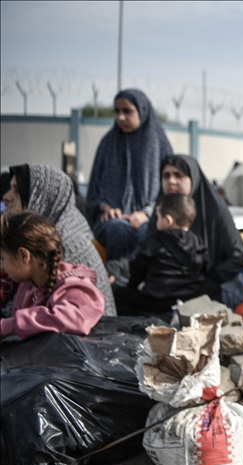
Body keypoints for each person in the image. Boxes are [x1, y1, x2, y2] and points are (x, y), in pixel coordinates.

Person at [3, 164, 117, 316]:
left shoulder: (59, 245)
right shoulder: (46, 237)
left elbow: (54, 318)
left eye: (17, 191)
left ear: (42, 199)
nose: (6, 197)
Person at [145, 155, 243, 300]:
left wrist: (207, 284)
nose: (171, 181)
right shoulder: (160, 211)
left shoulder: (214, 211)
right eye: (166, 176)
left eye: (178, 175)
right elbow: (146, 252)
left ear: (193, 178)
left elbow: (237, 256)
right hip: (163, 293)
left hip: (208, 294)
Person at [86, 89, 173, 260]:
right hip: (110, 220)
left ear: (142, 111)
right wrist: (107, 208)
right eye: (117, 111)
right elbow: (94, 191)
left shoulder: (159, 146)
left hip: (151, 217)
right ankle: (116, 275)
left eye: (127, 111)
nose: (120, 117)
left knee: (147, 232)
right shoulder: (107, 143)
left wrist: (147, 213)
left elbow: (169, 191)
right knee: (118, 229)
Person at [0, 211, 105, 339]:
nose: (1, 266)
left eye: (2, 258)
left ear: (23, 256)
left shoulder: (74, 289)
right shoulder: (28, 285)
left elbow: (74, 320)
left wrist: (7, 326)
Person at [113, 193, 208, 316]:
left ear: (168, 220)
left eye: (158, 217)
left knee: (119, 295)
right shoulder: (198, 241)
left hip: (157, 302)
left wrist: (132, 285)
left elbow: (138, 269)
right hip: (189, 299)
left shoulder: (155, 242)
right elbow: (205, 267)